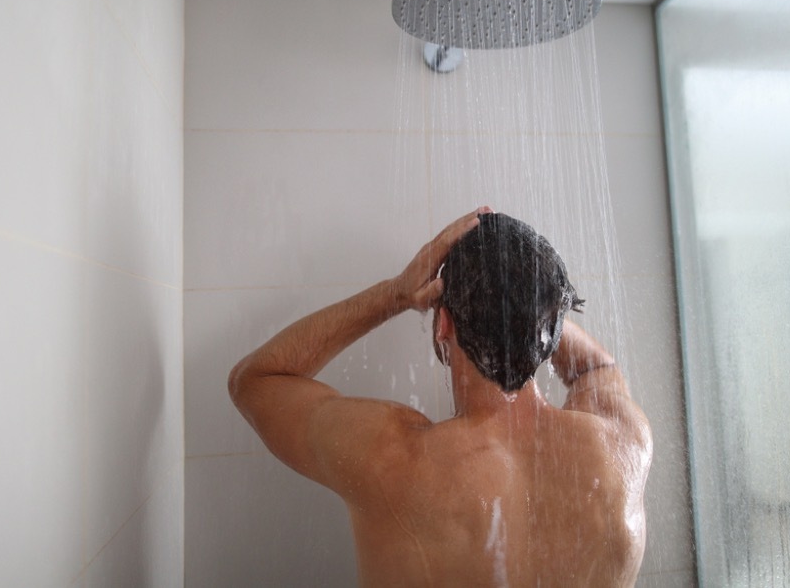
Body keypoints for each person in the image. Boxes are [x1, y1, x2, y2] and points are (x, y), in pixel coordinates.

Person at [229, 208, 652, 587]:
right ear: (552, 326)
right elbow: (598, 367)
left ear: (442, 324)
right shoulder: (621, 447)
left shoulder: (393, 458)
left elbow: (256, 380)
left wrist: (396, 294)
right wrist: (528, 306)